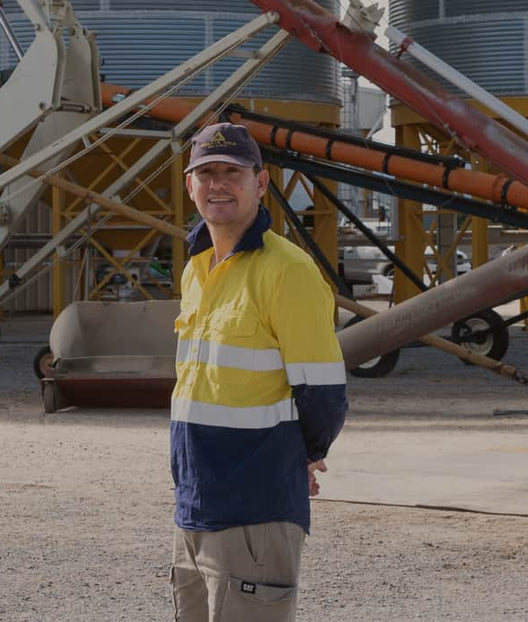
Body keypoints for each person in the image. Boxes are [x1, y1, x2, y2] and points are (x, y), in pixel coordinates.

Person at [169, 123, 348, 621]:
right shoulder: (197, 269)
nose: (218, 184)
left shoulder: (287, 271)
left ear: (261, 183)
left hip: (256, 507)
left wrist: (302, 455)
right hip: (196, 504)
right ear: (190, 186)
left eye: (232, 172)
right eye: (206, 173)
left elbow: (324, 393)